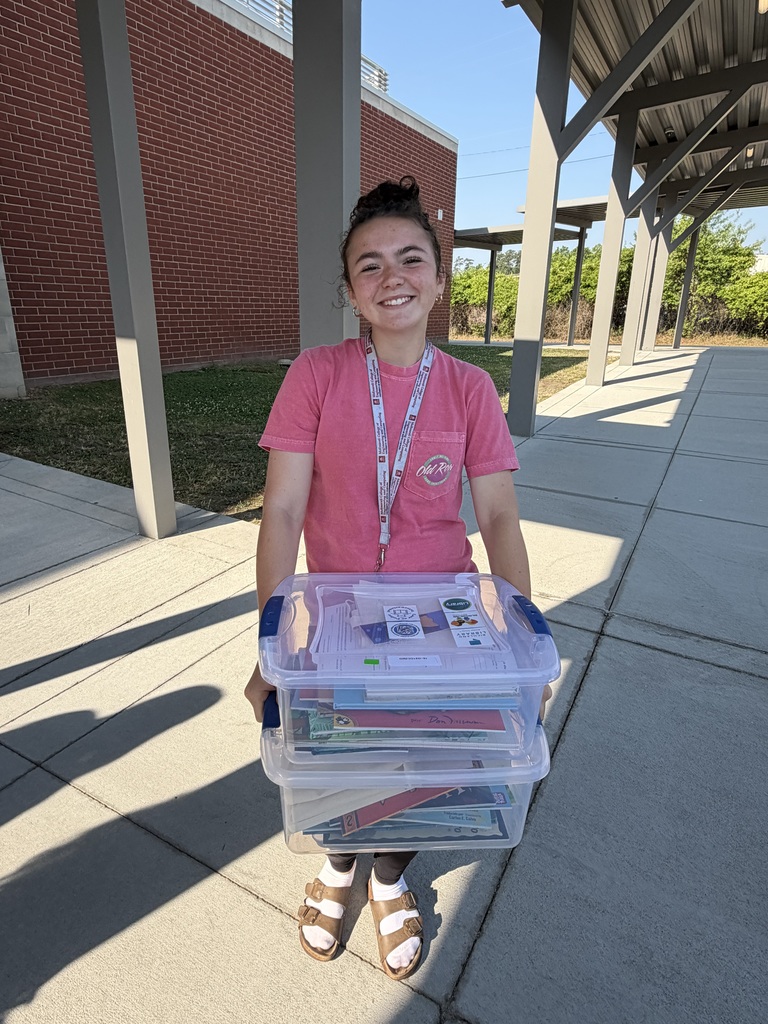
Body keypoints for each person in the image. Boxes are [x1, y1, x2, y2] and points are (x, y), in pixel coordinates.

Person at [245, 175, 550, 981]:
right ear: (350, 291)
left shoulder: (470, 388)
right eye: (370, 265)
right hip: (336, 616)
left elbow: (500, 521)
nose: (392, 277)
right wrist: (272, 646)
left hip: (444, 617)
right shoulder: (316, 375)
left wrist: (525, 646)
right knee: (342, 755)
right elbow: (279, 516)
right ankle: (341, 865)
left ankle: (386, 878)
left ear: (439, 279)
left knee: (426, 761)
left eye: (410, 258)